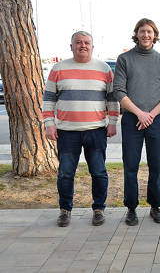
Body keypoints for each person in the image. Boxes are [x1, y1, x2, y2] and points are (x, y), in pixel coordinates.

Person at [42, 31, 119, 227]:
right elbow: (49, 99)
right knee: (66, 173)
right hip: (67, 132)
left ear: (93, 47)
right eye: (78, 42)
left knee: (99, 172)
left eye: (86, 43)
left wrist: (113, 122)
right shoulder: (58, 68)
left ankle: (99, 209)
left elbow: (112, 99)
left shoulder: (104, 69)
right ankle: (65, 210)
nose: (82, 45)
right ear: (71, 46)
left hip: (96, 130)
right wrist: (49, 124)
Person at [113, 18, 160, 225]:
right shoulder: (124, 59)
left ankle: (155, 206)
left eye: (149, 32)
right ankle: (131, 208)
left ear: (155, 35)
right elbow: (119, 91)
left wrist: (151, 115)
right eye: (142, 31)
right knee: (131, 166)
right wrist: (140, 113)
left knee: (156, 165)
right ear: (136, 34)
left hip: (155, 120)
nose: (146, 35)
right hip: (132, 119)